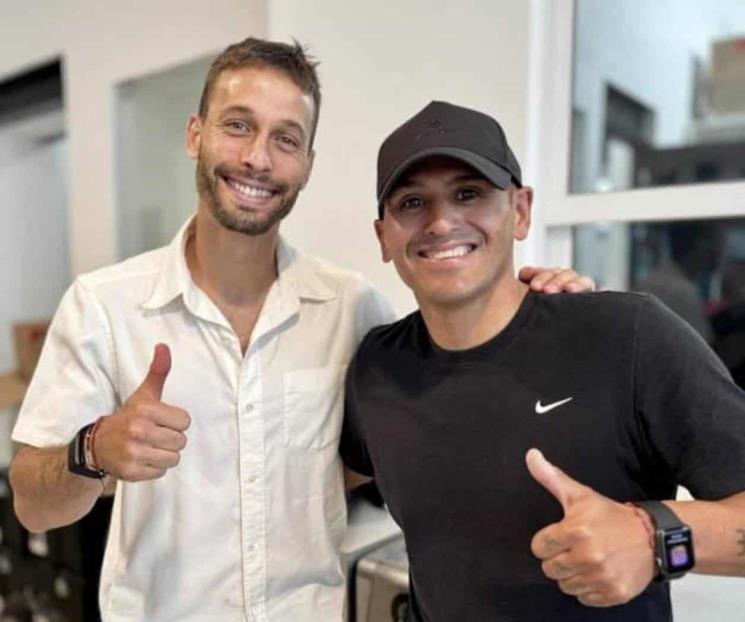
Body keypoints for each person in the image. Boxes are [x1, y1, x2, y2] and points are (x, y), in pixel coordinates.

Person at [7, 40, 590, 622]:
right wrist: (94, 449)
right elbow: (33, 506)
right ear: (195, 135)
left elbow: (441, 394)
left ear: (307, 164)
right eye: (238, 126)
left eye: (286, 138)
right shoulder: (104, 305)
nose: (259, 158)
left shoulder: (351, 306)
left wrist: (529, 305)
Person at [341, 100, 745, 621]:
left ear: (521, 210)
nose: (441, 223)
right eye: (412, 202)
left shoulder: (628, 337)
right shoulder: (377, 368)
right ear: (383, 237)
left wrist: (655, 536)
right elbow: (314, 479)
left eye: (469, 193)